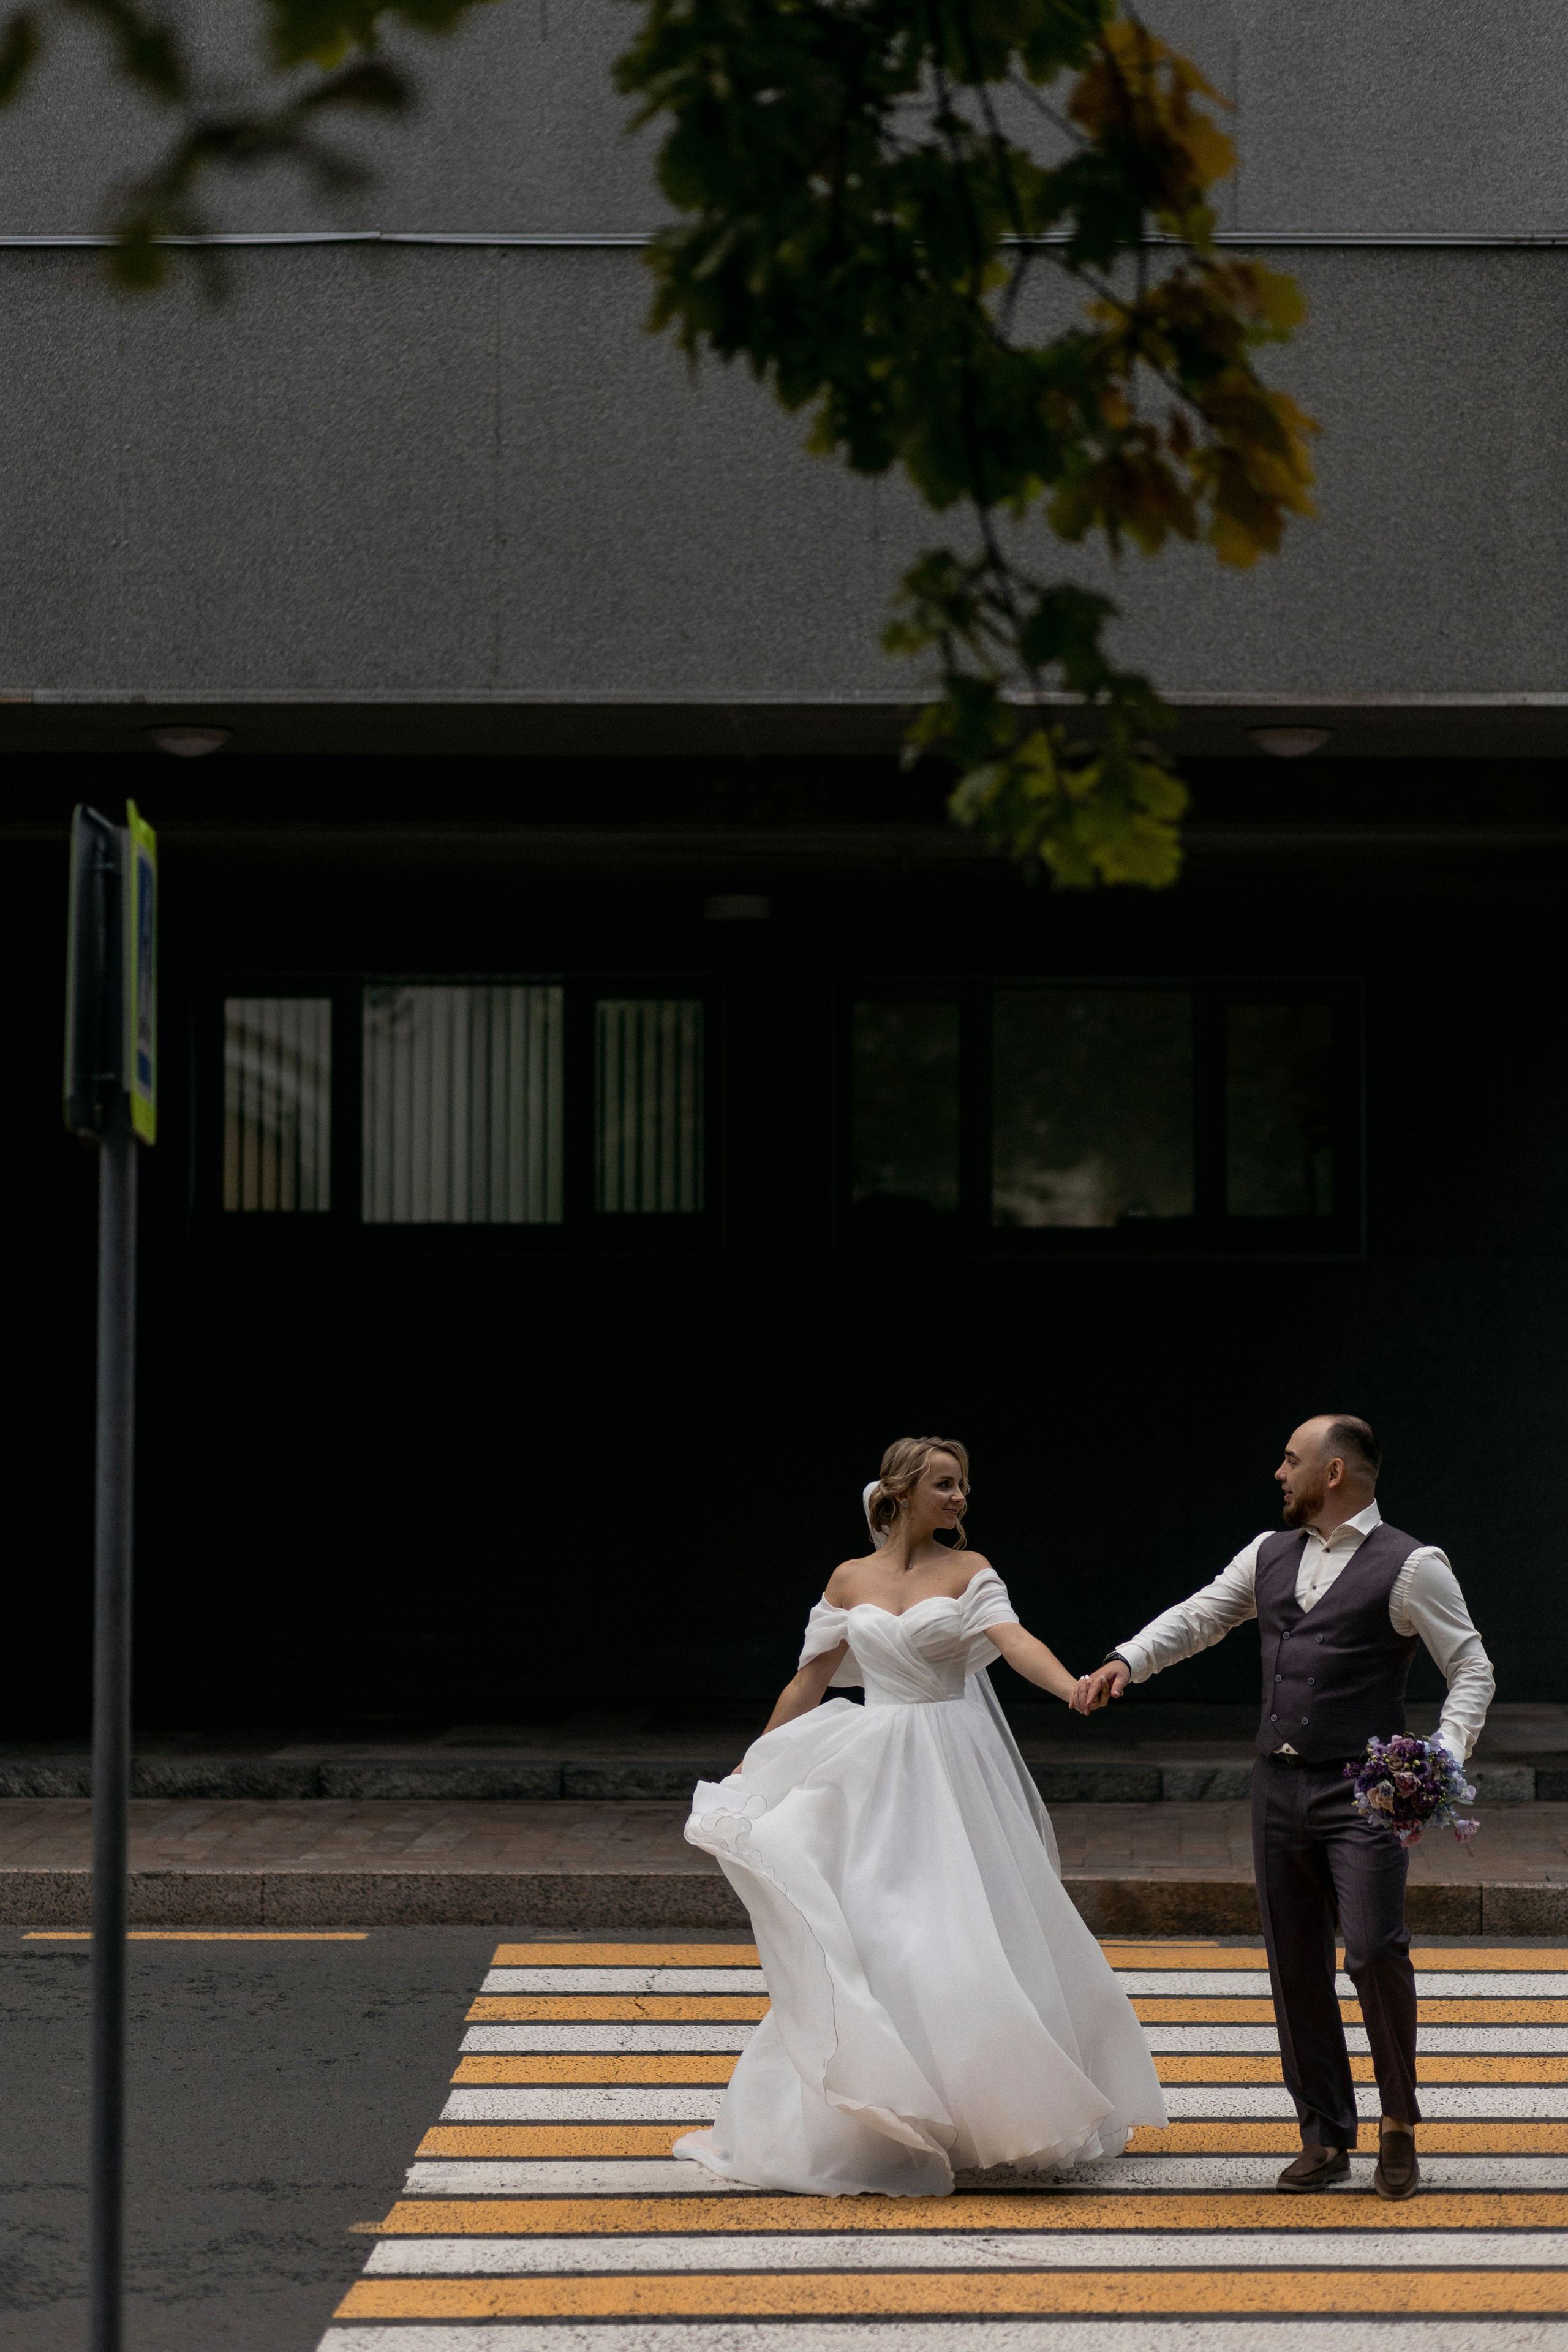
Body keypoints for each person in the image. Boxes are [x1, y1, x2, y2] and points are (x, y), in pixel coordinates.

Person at [674, 1434, 1166, 2197]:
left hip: (950, 1767)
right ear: (901, 1492)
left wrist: (1070, 1684)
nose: (958, 1498)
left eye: (962, 1484)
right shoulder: (849, 1578)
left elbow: (1014, 1640)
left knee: (963, 1928)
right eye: (943, 1484)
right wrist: (755, 1757)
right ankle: (878, 2115)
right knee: (874, 1933)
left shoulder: (970, 1570)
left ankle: (990, 2112)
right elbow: (809, 1682)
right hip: (872, 1764)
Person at [1074, 1414, 1494, 2203]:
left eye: (1291, 1459)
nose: (1279, 1472)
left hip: (1364, 1790)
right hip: (1277, 1786)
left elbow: (1471, 1668)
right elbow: (1201, 1615)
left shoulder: (1412, 1565)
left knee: (1372, 1950)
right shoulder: (1267, 1554)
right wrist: (1128, 1658)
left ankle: (1397, 2124)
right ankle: (1326, 2135)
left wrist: (1439, 1758)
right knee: (1293, 1964)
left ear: (1333, 1473)